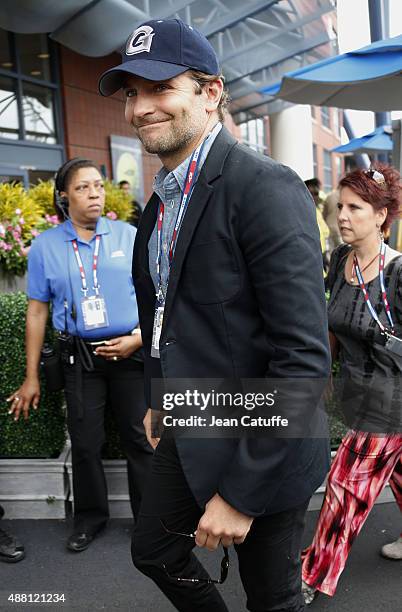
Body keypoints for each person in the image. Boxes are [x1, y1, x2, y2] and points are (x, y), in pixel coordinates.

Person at [99, 18, 330, 612]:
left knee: (271, 600)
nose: (140, 108)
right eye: (131, 93)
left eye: (159, 87)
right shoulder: (160, 204)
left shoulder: (265, 187)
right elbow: (164, 315)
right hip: (194, 414)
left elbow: (303, 359)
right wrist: (157, 394)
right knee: (153, 550)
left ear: (210, 92)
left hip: (265, 442)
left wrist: (242, 497)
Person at [7, 158, 152, 552]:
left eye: (98, 186)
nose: (94, 194)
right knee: (86, 443)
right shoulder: (45, 246)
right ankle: (90, 520)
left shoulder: (129, 236)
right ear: (64, 196)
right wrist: (31, 375)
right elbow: (37, 311)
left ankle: (151, 522)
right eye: (83, 187)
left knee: (140, 439)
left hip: (129, 354)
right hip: (79, 361)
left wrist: (139, 338)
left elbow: (156, 297)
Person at [301, 165, 402, 605]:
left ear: (381, 215)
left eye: (354, 207)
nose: (341, 216)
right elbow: (333, 323)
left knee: (346, 486)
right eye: (339, 206)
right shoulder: (339, 261)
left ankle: (313, 573)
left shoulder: (397, 271)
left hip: (391, 401)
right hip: (359, 393)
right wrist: (323, 369)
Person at [305, 178, 331, 273]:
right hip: (312, 260)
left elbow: (325, 232)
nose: (315, 197)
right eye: (313, 193)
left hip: (321, 257)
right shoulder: (303, 213)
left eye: (317, 193)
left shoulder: (316, 211)